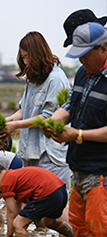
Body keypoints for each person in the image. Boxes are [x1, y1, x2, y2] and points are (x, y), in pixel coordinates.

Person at [0, 31, 71, 221]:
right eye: (22, 58)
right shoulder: (33, 78)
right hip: (30, 150)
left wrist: (15, 126)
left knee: (56, 205)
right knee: (35, 204)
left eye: (27, 57)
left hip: (49, 152)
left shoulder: (56, 79)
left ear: (38, 53)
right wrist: (6, 121)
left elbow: (48, 117)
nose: (25, 62)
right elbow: (25, 109)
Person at [46, 22, 107, 236]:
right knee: (78, 228)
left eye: (86, 54)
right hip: (78, 167)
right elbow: (71, 105)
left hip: (101, 173)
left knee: (99, 229)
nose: (81, 60)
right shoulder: (82, 73)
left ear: (103, 49)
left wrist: (78, 135)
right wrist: (53, 121)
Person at [0, 161, 73, 237]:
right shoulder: (14, 175)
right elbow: (17, 210)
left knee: (17, 224)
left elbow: (11, 212)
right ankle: (75, 234)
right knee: (49, 223)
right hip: (60, 191)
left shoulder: (6, 182)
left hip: (47, 193)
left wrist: (9, 234)